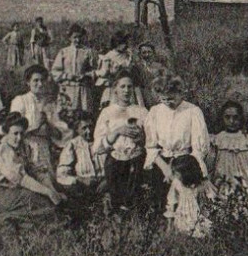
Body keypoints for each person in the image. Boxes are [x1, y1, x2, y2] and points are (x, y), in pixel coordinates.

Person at [0, 112, 63, 226]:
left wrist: (52, 191)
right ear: (7, 134)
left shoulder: (22, 149)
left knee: (46, 202)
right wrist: (48, 192)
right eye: (15, 133)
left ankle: (13, 219)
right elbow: (22, 179)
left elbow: (35, 171)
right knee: (37, 200)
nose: (19, 138)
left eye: (22, 133)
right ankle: (4, 218)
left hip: (14, 193)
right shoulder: (3, 150)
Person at [145, 73, 210, 214]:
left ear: (180, 93)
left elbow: (199, 147)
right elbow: (151, 146)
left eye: (171, 98)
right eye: (163, 99)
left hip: (186, 164)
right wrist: (166, 169)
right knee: (163, 205)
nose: (168, 102)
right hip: (162, 162)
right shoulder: (155, 112)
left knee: (185, 204)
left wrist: (179, 170)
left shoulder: (192, 111)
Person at [94, 71, 150, 212]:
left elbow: (153, 140)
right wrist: (117, 131)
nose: (126, 91)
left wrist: (141, 138)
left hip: (137, 161)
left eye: (129, 87)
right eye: (123, 87)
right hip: (114, 162)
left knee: (135, 202)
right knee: (116, 204)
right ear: (115, 90)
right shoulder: (107, 112)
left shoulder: (142, 112)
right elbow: (98, 148)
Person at [10, 65, 70, 180]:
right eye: (35, 80)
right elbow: (13, 129)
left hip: (44, 147)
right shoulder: (20, 101)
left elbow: (58, 131)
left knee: (49, 179)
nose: (40, 84)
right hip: (26, 146)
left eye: (42, 80)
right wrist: (37, 126)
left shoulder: (49, 104)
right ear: (28, 82)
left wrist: (50, 127)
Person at [208, 100, 248, 214]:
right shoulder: (217, 139)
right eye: (228, 117)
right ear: (222, 118)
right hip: (224, 183)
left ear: (241, 118)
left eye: (235, 117)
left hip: (246, 182)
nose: (232, 121)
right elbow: (211, 168)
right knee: (226, 209)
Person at [165, 154, 214, 238]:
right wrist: (169, 226)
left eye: (177, 174)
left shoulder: (203, 185)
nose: (175, 176)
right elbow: (171, 201)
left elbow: (211, 199)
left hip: (200, 215)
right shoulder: (177, 184)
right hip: (183, 216)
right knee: (183, 234)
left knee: (202, 233)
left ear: (187, 173)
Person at [52, 24, 96, 115]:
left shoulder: (87, 52)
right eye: (75, 37)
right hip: (68, 89)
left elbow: (95, 70)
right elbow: (55, 72)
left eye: (79, 37)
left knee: (84, 116)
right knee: (67, 116)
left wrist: (86, 75)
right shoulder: (64, 52)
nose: (78, 40)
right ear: (70, 38)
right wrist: (67, 76)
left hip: (83, 90)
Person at [56, 111, 101, 198]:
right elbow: (61, 175)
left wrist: (107, 180)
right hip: (84, 190)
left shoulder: (102, 141)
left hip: (107, 186)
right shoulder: (73, 145)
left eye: (91, 127)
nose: (89, 131)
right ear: (77, 129)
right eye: (84, 128)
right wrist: (81, 180)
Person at [95, 31, 144, 108]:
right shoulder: (109, 56)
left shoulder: (127, 55)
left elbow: (132, 69)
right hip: (113, 87)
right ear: (116, 43)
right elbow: (104, 73)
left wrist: (131, 59)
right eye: (122, 43)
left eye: (125, 43)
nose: (125, 46)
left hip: (126, 86)